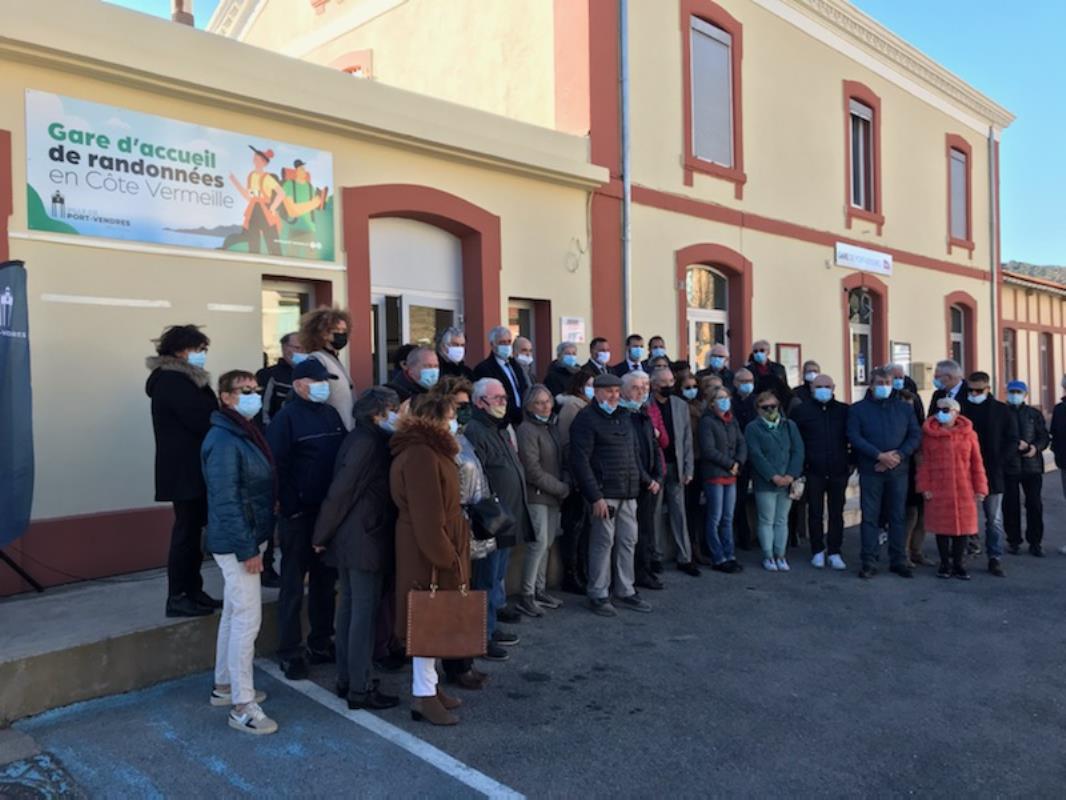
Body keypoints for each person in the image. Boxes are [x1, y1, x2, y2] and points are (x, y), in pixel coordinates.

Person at [311, 387, 402, 711]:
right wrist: (321, 534)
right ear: (377, 414)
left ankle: (348, 679)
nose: (399, 415)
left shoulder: (363, 438)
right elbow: (342, 491)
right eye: (394, 409)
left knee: (351, 609)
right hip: (364, 538)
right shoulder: (368, 442)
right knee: (361, 614)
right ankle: (359, 687)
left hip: (355, 536)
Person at [202, 369, 277, 735]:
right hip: (238, 543)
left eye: (256, 389)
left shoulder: (242, 432)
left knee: (234, 613)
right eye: (244, 390)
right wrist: (249, 549)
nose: (253, 395)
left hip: (246, 538)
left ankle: (225, 686)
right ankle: (242, 707)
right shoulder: (224, 439)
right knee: (248, 620)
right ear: (225, 397)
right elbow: (226, 500)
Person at [389, 393, 470, 726]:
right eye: (450, 415)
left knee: (433, 617)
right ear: (435, 418)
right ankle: (423, 696)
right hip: (427, 549)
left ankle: (431, 688)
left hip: (435, 541)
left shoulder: (430, 449)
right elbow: (427, 515)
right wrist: (447, 557)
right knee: (426, 619)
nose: (454, 421)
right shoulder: (422, 453)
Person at [266, 358, 346, 679]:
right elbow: (276, 467)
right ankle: (289, 650)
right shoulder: (286, 420)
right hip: (298, 515)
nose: (324, 386)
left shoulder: (330, 414)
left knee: (326, 582)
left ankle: (321, 640)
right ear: (300, 386)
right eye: (317, 381)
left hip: (327, 515)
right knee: (293, 585)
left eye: (325, 381)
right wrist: (290, 505)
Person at [146, 323, 221, 618]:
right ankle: (178, 595)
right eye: (197, 349)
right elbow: (201, 418)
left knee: (194, 532)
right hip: (184, 469)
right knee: (186, 533)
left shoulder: (187, 379)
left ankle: (193, 589)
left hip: (193, 467)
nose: (201, 355)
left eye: (203, 350)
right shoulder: (172, 381)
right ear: (179, 350)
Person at [569, 373, 651, 616]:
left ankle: (625, 589)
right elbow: (580, 461)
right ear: (596, 392)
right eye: (608, 391)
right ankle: (598, 593)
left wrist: (641, 480)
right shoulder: (585, 419)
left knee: (628, 540)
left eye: (617, 391)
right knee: (603, 543)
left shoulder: (624, 416)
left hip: (628, 490)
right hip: (604, 493)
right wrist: (595, 496)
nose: (614, 396)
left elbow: (633, 452)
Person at [463, 378, 533, 657]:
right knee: (485, 579)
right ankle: (481, 635)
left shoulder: (499, 428)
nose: (503, 403)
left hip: (506, 517)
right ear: (480, 402)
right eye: (497, 399)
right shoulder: (476, 430)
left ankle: (490, 626)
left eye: (505, 397)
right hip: (489, 519)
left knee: (497, 577)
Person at [847, 368, 922, 579]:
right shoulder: (858, 409)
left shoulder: (905, 409)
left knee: (897, 516)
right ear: (870, 385)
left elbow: (915, 435)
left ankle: (898, 559)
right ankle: (869, 560)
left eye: (888, 382)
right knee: (870, 517)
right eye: (880, 382)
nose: (884, 386)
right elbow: (854, 436)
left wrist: (897, 456)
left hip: (898, 471)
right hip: (871, 470)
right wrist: (878, 456)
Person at [916, 398, 989, 580]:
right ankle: (944, 564)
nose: (942, 412)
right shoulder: (929, 435)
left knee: (962, 529)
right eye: (939, 409)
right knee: (942, 528)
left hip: (964, 487)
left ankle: (959, 564)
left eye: (946, 409)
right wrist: (924, 486)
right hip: (938, 487)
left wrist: (980, 487)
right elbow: (923, 463)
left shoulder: (969, 434)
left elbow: (976, 462)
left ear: (956, 412)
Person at [516, 384, 570, 617]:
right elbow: (532, 470)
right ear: (528, 406)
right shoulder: (526, 430)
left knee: (547, 544)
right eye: (539, 402)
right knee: (537, 544)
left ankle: (540, 589)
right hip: (537, 495)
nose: (545, 406)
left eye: (547, 401)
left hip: (553, 496)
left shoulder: (551, 427)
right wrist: (561, 488)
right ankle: (526, 594)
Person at [789, 374, 850, 570]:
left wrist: (852, 462)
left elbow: (853, 436)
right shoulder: (801, 411)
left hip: (838, 469)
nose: (823, 389)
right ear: (812, 388)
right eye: (818, 386)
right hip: (813, 470)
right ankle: (817, 550)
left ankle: (834, 551)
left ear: (834, 387)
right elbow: (794, 441)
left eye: (827, 386)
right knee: (814, 512)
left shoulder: (844, 411)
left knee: (836, 512)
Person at [964, 372, 1017, 575]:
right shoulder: (963, 409)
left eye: (978, 390)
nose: (974, 393)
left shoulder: (1001, 411)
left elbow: (1012, 439)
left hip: (993, 471)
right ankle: (967, 549)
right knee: (967, 514)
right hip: (966, 470)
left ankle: (994, 556)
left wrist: (1000, 462)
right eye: (971, 390)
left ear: (988, 389)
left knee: (994, 518)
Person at [745, 391, 804, 571]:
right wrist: (773, 476)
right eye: (766, 407)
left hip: (787, 480)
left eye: (774, 406)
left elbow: (798, 450)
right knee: (766, 519)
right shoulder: (753, 428)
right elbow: (756, 455)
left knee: (781, 519)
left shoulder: (789, 425)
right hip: (766, 481)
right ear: (758, 409)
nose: (770, 410)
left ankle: (781, 554)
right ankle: (768, 555)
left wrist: (790, 475)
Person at [648, 367, 698, 576]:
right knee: (655, 514)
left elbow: (687, 440)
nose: (668, 385)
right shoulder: (646, 404)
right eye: (663, 382)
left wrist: (688, 468)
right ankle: (655, 556)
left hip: (676, 465)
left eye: (671, 381)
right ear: (654, 384)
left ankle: (684, 557)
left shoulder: (680, 405)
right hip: (655, 467)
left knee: (679, 513)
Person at [621, 371, 664, 591]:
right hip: (634, 483)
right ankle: (634, 574)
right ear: (624, 390)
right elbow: (631, 454)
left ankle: (645, 571)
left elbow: (654, 447)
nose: (641, 391)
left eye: (644, 387)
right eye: (636, 388)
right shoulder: (623, 415)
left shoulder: (644, 413)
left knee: (646, 530)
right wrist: (647, 479)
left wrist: (657, 476)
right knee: (632, 535)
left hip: (650, 482)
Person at [556, 367, 597, 593]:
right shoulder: (573, 406)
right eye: (589, 384)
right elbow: (566, 442)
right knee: (574, 526)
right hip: (574, 475)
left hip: (587, 474)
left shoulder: (589, 407)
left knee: (585, 527)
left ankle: (582, 570)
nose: (592, 389)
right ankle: (571, 574)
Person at [698, 386, 746, 574]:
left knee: (728, 518)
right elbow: (708, 450)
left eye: (726, 397)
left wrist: (739, 462)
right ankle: (718, 557)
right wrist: (729, 464)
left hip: (731, 476)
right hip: (715, 475)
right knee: (715, 518)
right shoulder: (707, 422)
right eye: (720, 398)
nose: (724, 401)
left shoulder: (732, 420)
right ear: (711, 402)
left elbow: (742, 443)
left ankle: (730, 554)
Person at [1002, 381, 1048, 557]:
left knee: (1034, 505)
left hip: (1032, 467)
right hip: (1010, 467)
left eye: (1018, 392)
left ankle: (1035, 542)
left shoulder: (1033, 414)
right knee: (1010, 505)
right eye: (1012, 391)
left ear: (1025, 394)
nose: (1015, 395)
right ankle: (1013, 540)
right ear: (1006, 393)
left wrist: (1035, 448)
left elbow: (1043, 436)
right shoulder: (1002, 413)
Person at [299, 307, 355, 430]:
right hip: (332, 429)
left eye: (344, 330)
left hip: (345, 427)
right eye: (336, 330)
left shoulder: (334, 358)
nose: (341, 334)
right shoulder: (317, 359)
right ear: (322, 333)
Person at [680, 372, 712, 565]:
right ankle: (691, 548)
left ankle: (702, 545)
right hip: (689, 461)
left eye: (694, 386)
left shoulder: (703, 408)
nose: (692, 390)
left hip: (704, 461)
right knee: (690, 508)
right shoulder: (680, 408)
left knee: (703, 508)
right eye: (687, 387)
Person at [474, 326, 528, 427]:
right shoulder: (484, 368)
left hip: (522, 420)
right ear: (492, 345)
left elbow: (523, 388)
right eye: (502, 342)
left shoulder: (515, 365)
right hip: (502, 421)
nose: (507, 346)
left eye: (509, 342)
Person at [731, 368, 758, 550]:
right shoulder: (730, 402)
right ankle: (743, 536)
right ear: (735, 383)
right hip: (738, 457)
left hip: (756, 455)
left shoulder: (758, 402)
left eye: (750, 380)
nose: (747, 384)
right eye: (743, 381)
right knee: (738, 498)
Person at [257, 332, 304, 426]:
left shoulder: (313, 374)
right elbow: (263, 413)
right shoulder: (269, 375)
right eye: (298, 348)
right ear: (284, 348)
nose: (302, 352)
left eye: (306, 349)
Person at [746, 340, 792, 410]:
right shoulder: (748, 370)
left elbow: (784, 387)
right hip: (756, 404)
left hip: (777, 403)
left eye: (762, 350)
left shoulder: (779, 368)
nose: (758, 353)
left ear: (768, 352)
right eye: (755, 351)